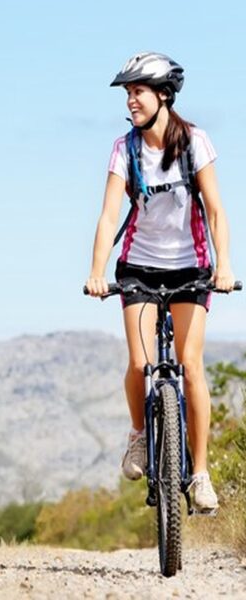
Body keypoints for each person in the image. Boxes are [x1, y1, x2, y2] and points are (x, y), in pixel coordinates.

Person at [85, 52, 235, 511]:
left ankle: (201, 474)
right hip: (139, 268)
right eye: (128, 93)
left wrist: (223, 265)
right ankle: (137, 433)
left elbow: (214, 209)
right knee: (138, 364)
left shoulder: (194, 142)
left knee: (191, 366)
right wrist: (96, 271)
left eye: (138, 92)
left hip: (192, 266)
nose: (131, 101)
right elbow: (110, 214)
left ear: (163, 95)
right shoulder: (124, 148)